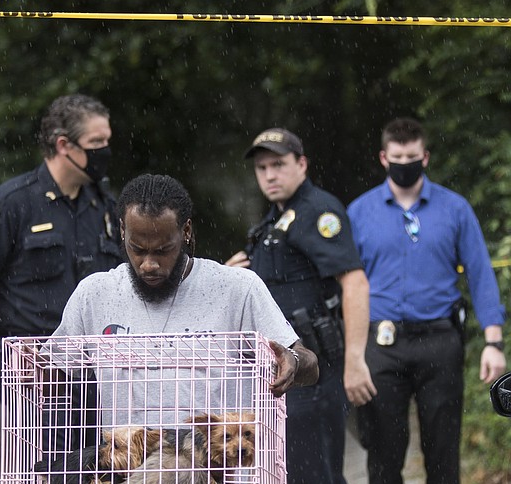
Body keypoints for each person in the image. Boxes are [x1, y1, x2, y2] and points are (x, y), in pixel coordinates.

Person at [347, 117, 507, 484]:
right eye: (397, 158)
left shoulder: (454, 208)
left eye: (412, 158)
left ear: (425, 157)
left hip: (440, 342)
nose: (405, 164)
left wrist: (493, 340)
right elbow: (347, 283)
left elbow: (480, 273)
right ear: (384, 158)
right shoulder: (360, 212)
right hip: (382, 346)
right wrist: (348, 351)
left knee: (441, 455)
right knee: (383, 457)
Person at [50, 173, 319, 408]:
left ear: (186, 232)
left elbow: (310, 365)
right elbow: (53, 375)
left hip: (217, 465)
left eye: (163, 250)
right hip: (130, 465)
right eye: (138, 249)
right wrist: (34, 374)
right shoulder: (94, 294)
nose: (149, 264)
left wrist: (293, 361)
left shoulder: (238, 288)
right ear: (122, 231)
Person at [225, 128, 373, 484]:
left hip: (314, 370)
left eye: (279, 165)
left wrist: (356, 361)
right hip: (292, 372)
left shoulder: (317, 211)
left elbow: (355, 282)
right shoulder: (276, 219)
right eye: (262, 168)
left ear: (301, 164)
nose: (269, 175)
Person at [0, 94, 123, 410]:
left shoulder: (105, 207)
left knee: (98, 459)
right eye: (96, 141)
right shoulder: (13, 204)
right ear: (64, 145)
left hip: (98, 373)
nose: (105, 150)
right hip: (31, 374)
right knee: (38, 459)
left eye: (107, 140)